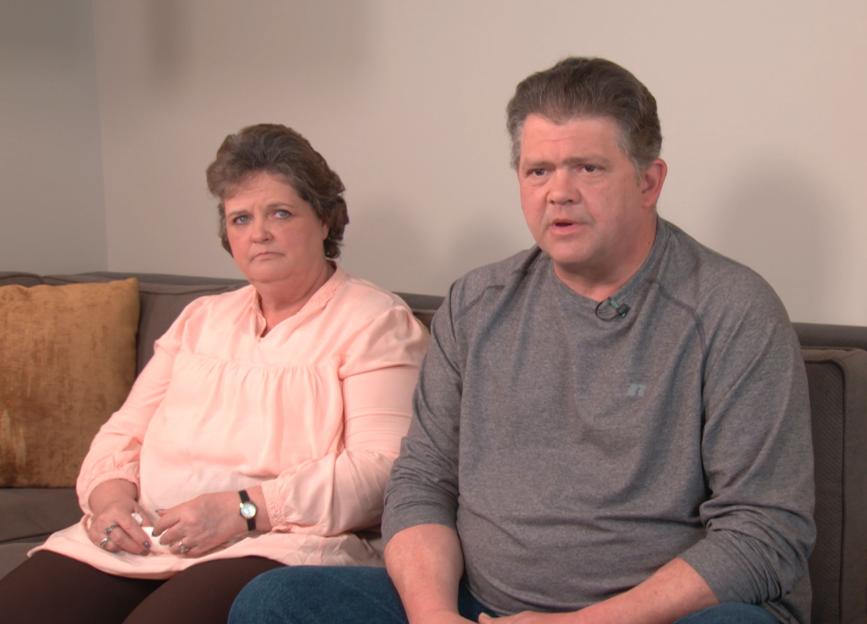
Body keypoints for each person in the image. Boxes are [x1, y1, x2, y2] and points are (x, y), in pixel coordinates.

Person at [228, 59, 815, 624]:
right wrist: (433, 615)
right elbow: (423, 482)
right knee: (272, 604)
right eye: (538, 171)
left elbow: (764, 534)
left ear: (648, 181)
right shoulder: (477, 303)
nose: (558, 192)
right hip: (478, 605)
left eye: (588, 168)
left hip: (655, 615)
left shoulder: (733, 310)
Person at [0, 123, 429, 623]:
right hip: (150, 535)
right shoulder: (201, 318)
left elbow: (381, 471)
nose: (259, 233)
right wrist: (110, 500)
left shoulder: (375, 321)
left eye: (280, 213)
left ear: (326, 220)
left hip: (276, 544)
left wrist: (243, 510)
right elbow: (123, 432)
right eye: (241, 218)